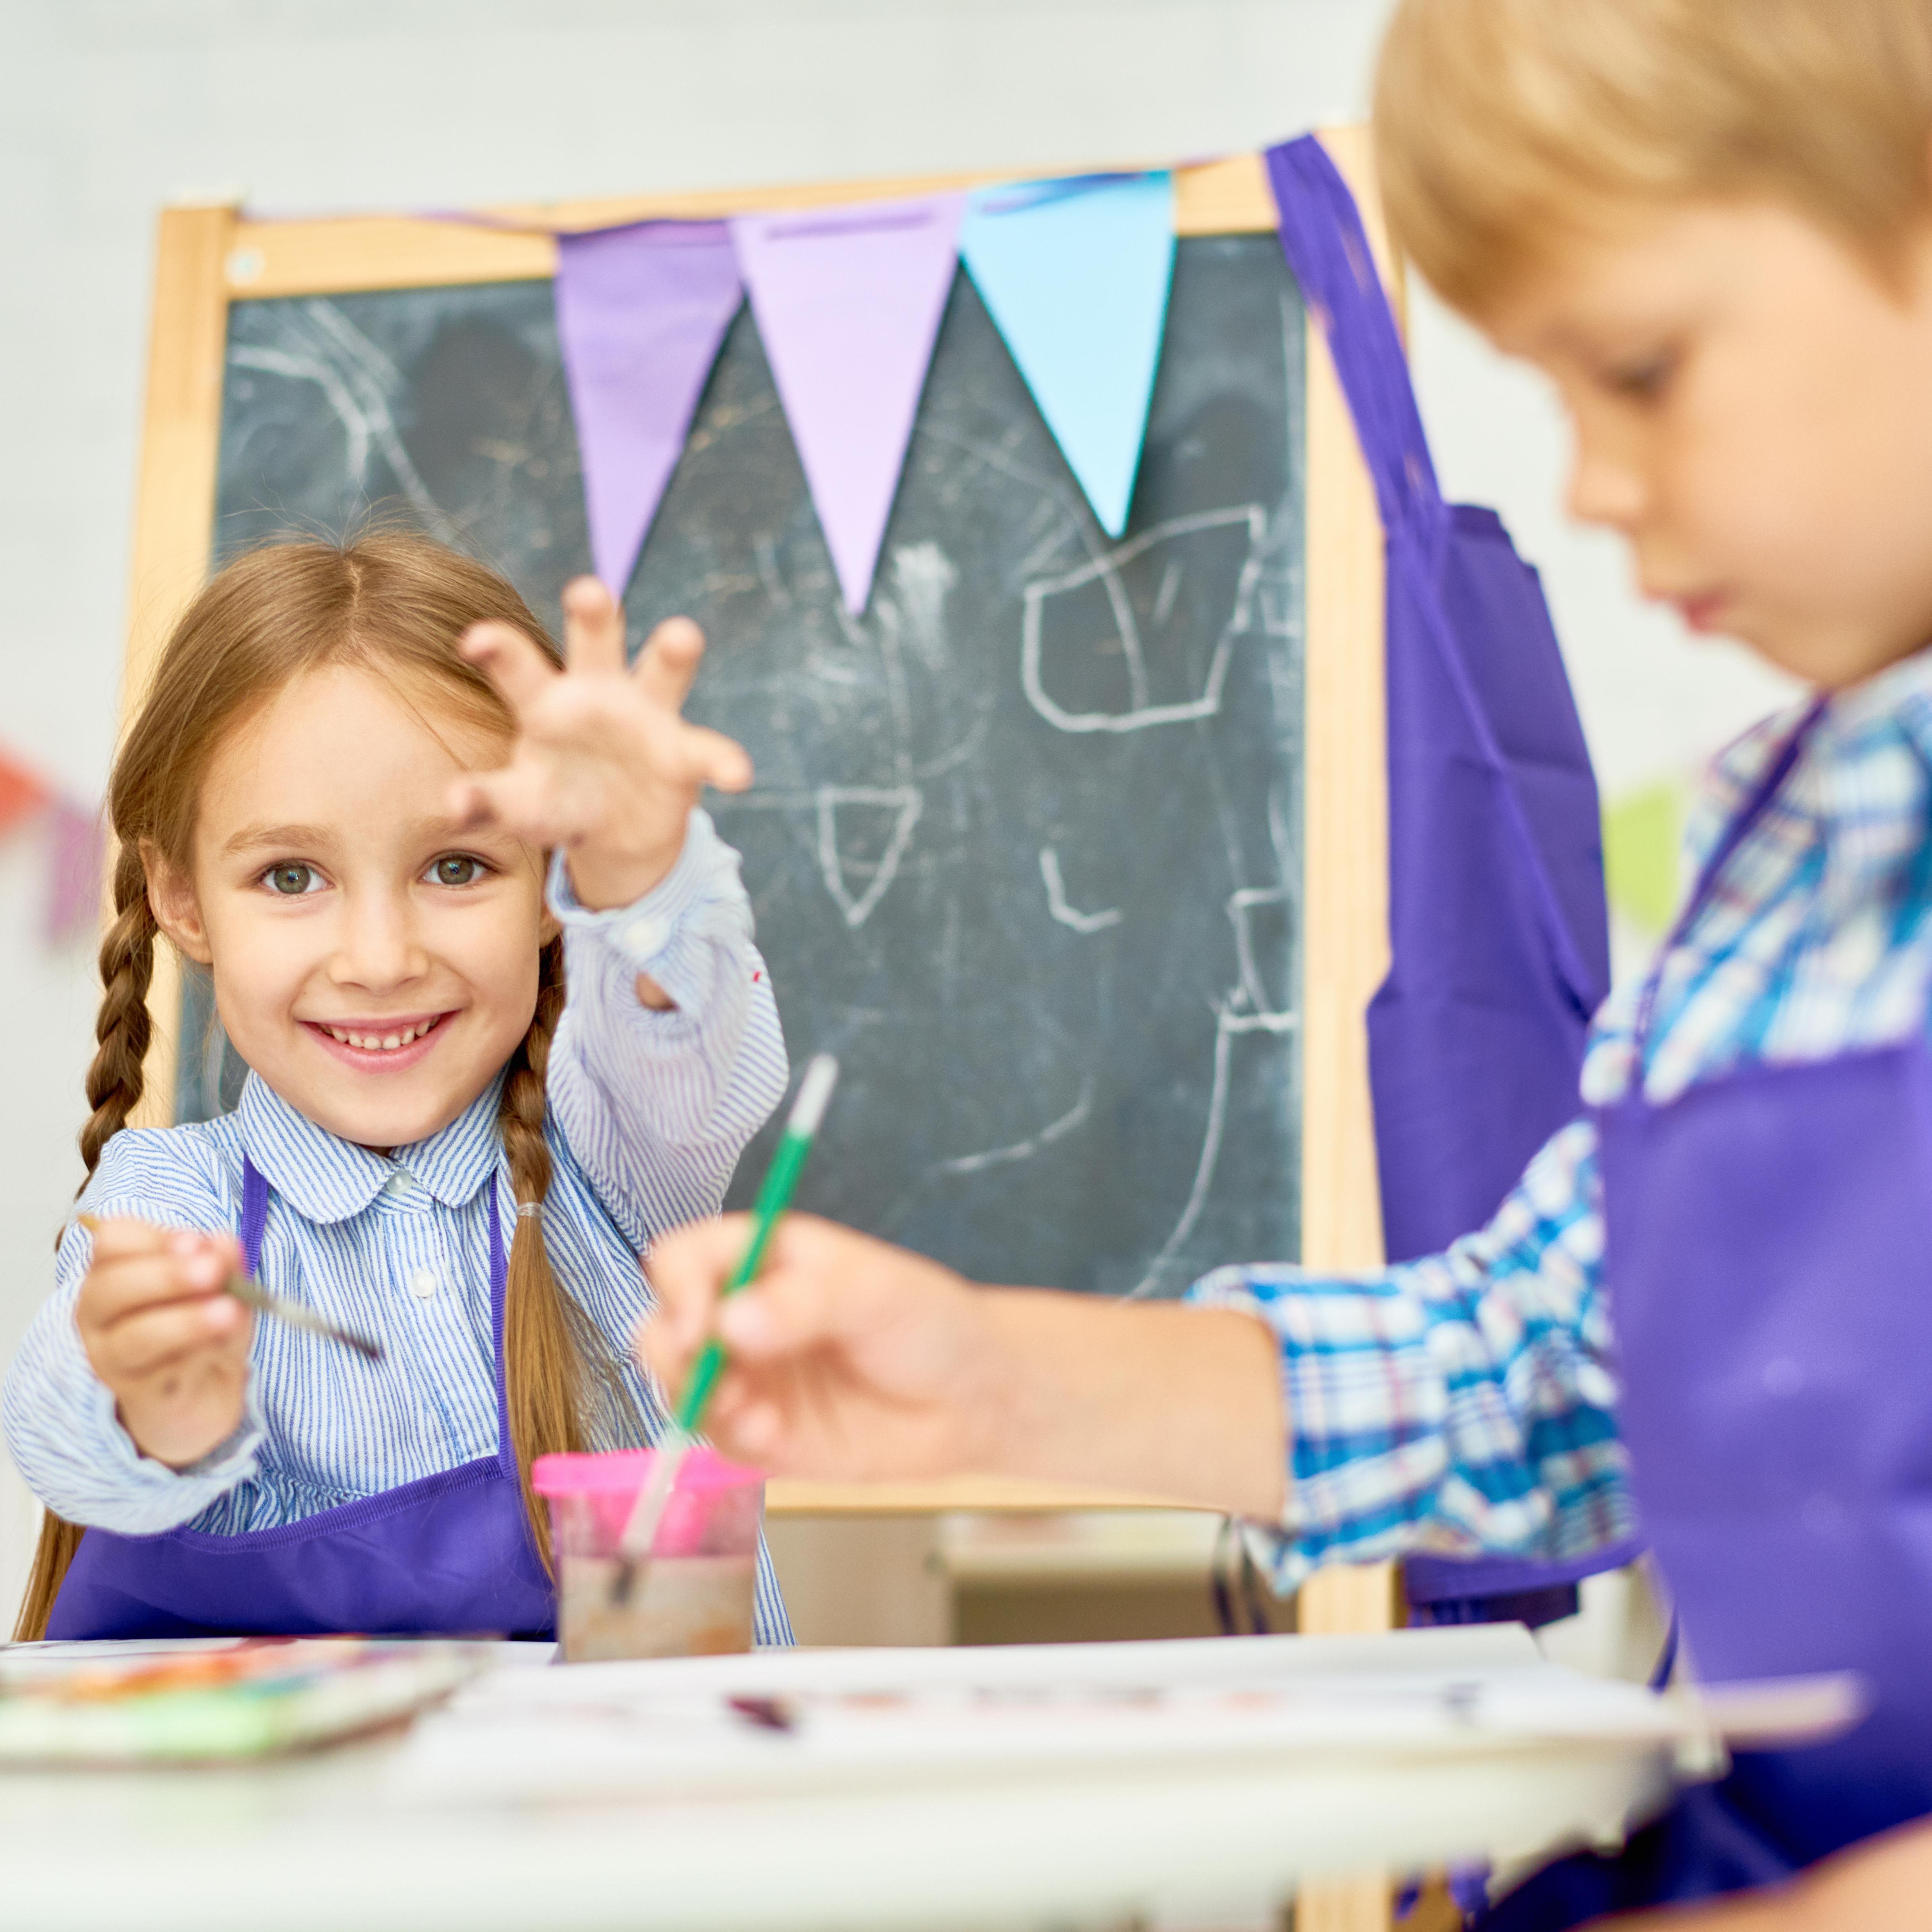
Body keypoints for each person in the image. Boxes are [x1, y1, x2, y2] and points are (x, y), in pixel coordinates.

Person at [643, 0, 1932, 1921]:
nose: (1585, 483)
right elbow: (1528, 1377)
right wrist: (999, 1376)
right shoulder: (1790, 861)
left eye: (1642, 370)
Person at [4, 530, 792, 1647]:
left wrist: (641, 876)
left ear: (553, 881)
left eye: (458, 867)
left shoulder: (614, 1149)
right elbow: (62, 1435)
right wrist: (153, 1410)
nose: (380, 958)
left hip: (644, 1813)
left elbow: (701, 1048)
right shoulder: (167, 1200)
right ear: (183, 901)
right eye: (291, 876)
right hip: (302, 1822)